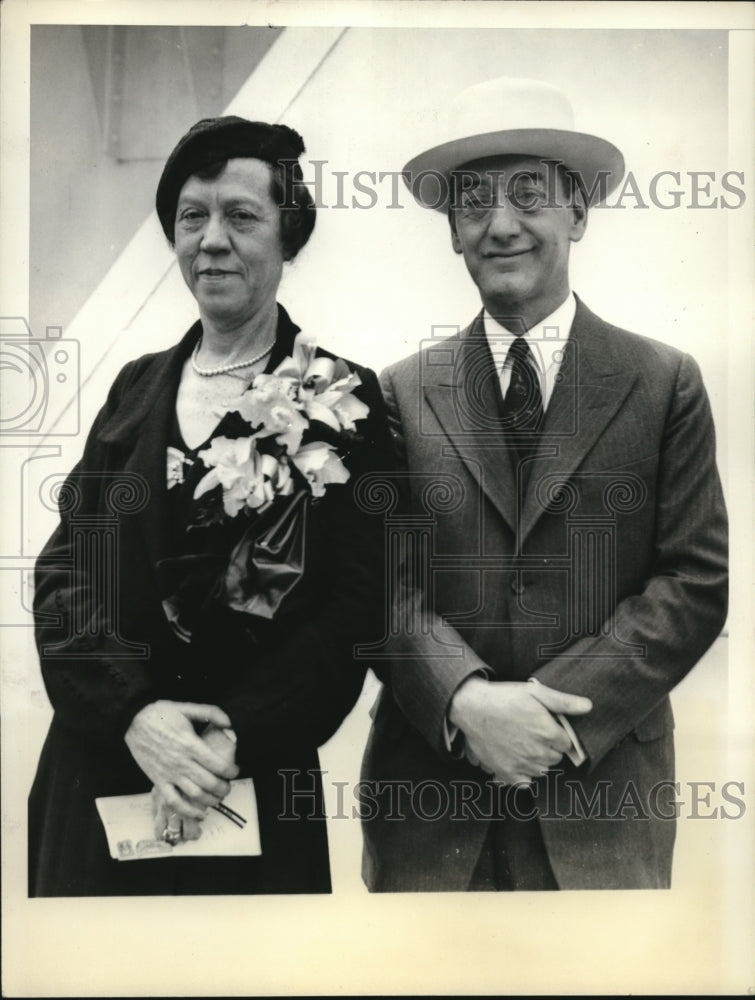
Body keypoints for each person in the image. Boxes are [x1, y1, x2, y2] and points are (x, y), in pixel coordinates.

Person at [361, 76, 728, 891]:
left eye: (529, 194)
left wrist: (545, 717)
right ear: (452, 232)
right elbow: (381, 585)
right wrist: (466, 704)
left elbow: (693, 582)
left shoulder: (662, 381)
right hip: (430, 812)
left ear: (579, 212)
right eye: (473, 202)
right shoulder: (395, 391)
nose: (500, 224)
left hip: (600, 806)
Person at [29, 115, 391, 896]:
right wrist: (136, 716)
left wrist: (226, 741)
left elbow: (355, 611)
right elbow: (66, 574)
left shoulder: (343, 399)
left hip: (248, 786)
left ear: (288, 238)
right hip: (100, 771)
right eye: (191, 216)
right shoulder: (134, 388)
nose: (212, 240)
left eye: (241, 215)